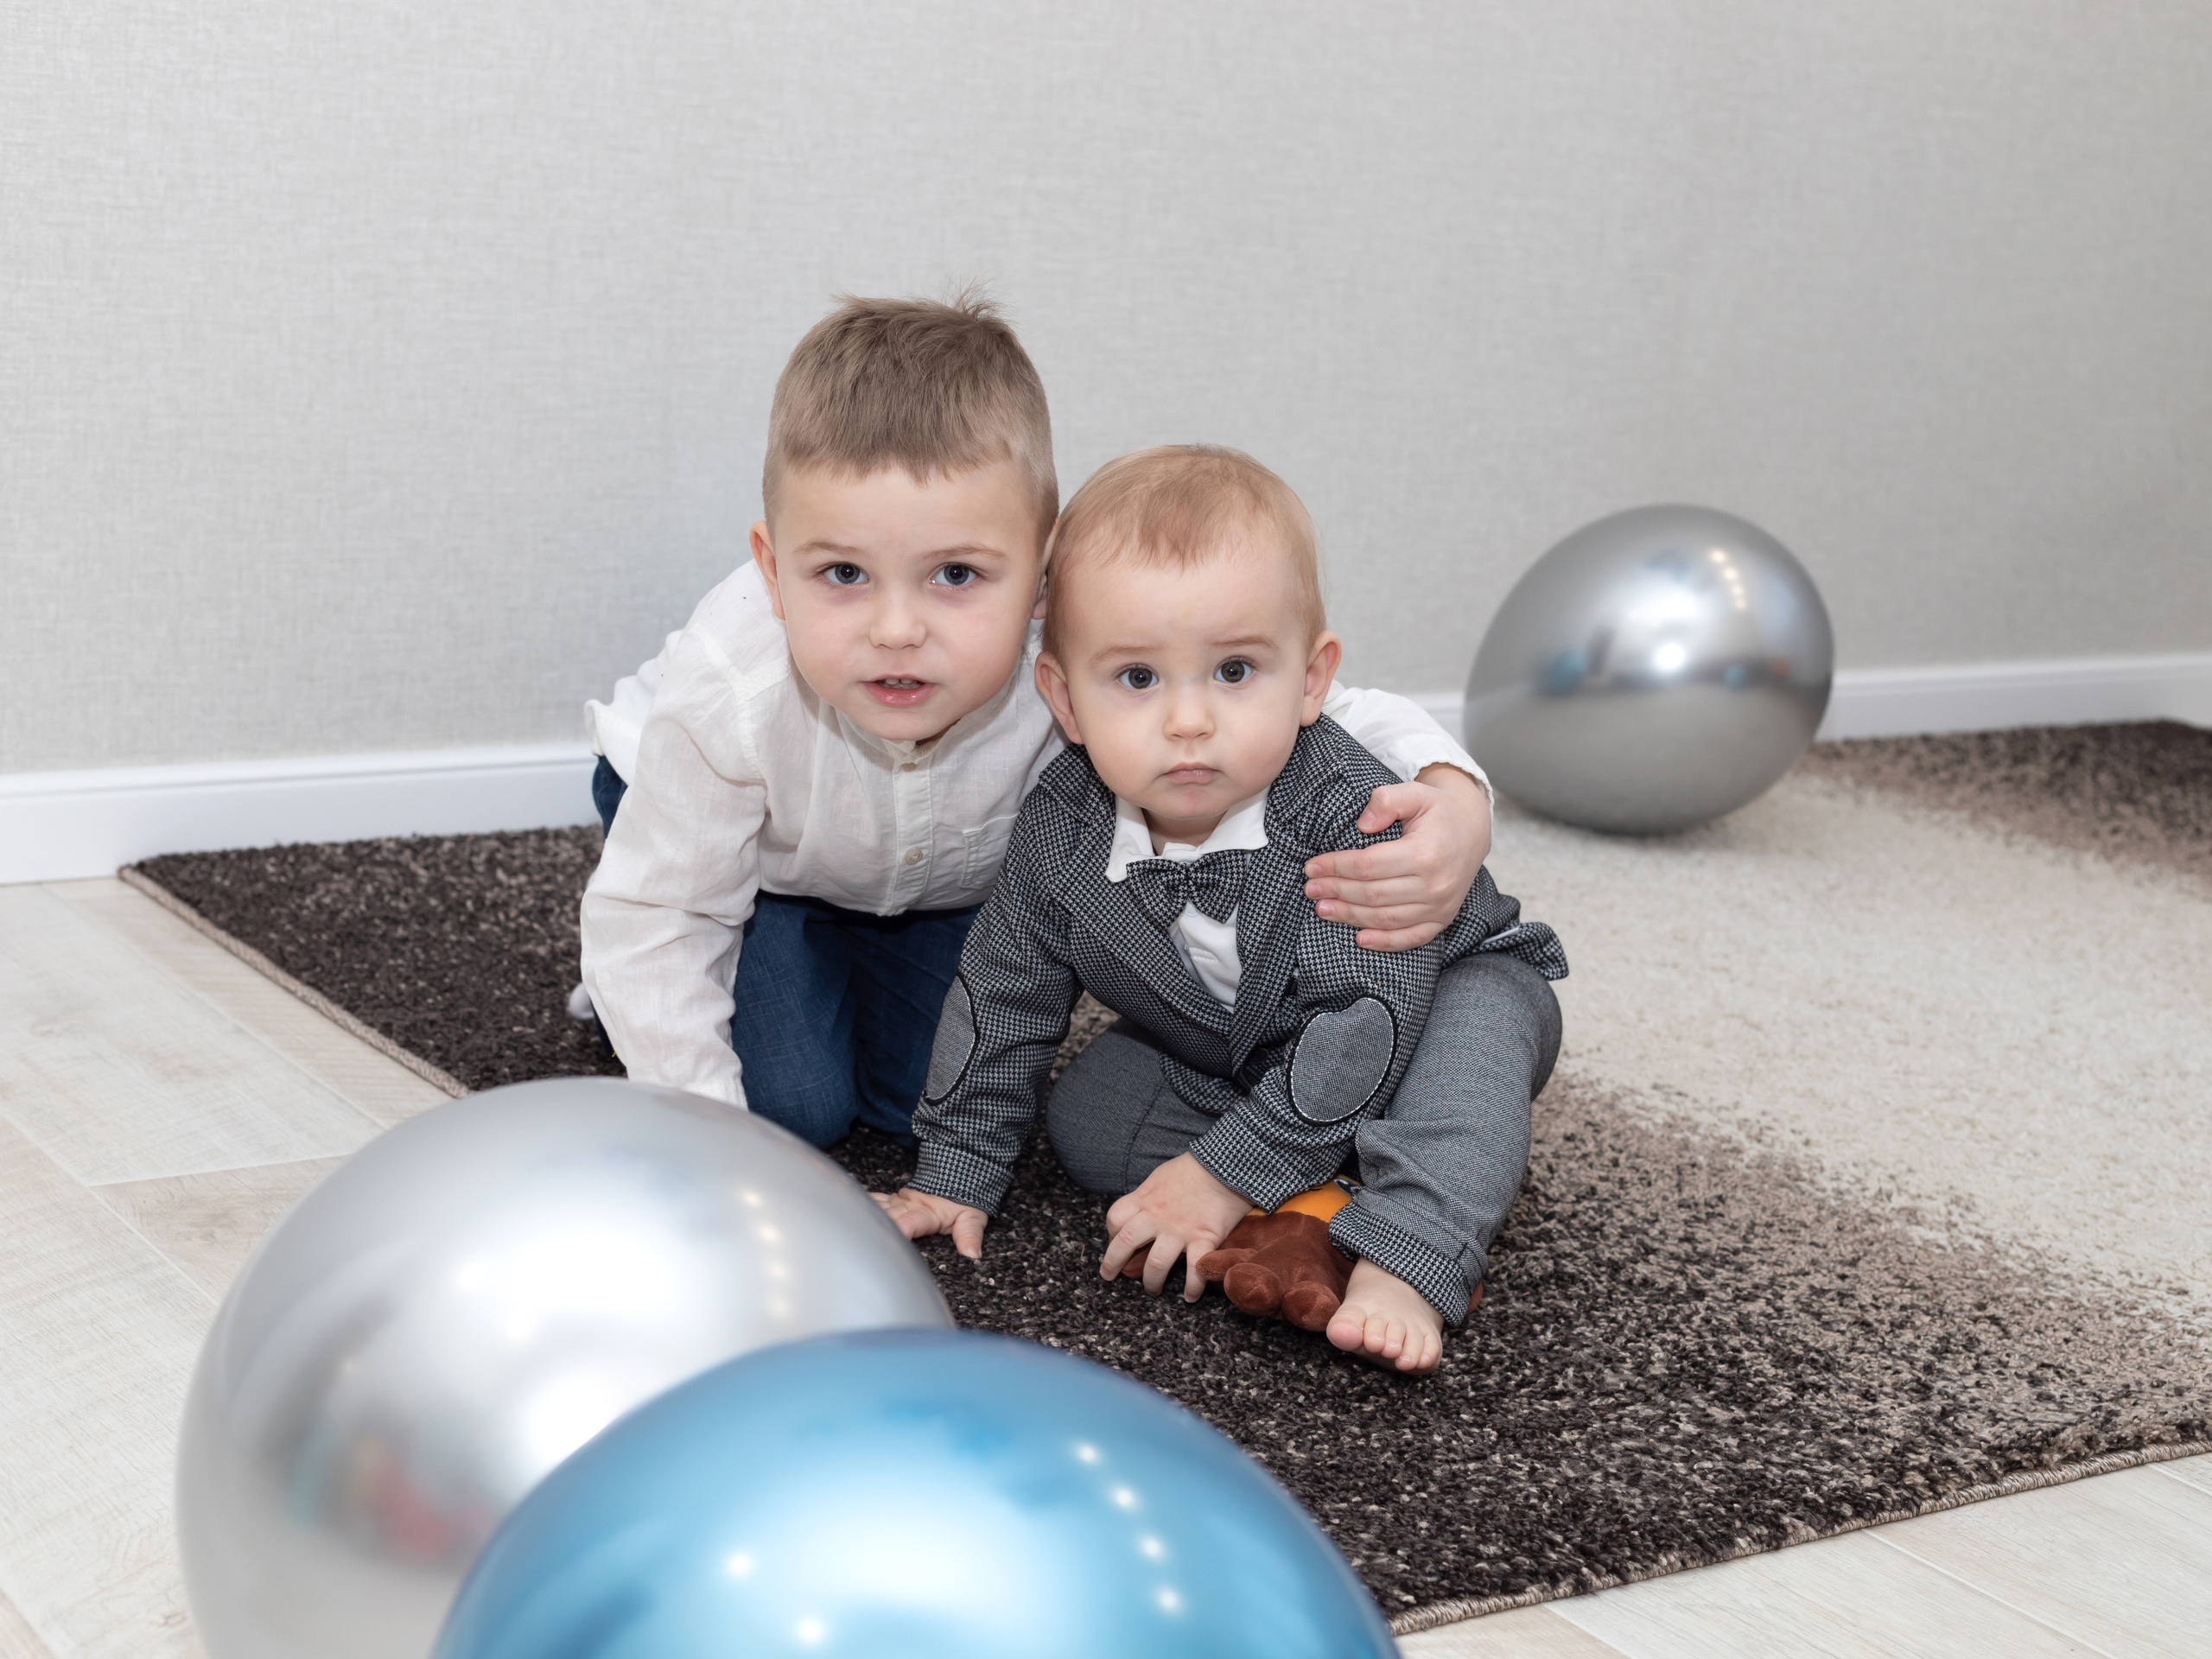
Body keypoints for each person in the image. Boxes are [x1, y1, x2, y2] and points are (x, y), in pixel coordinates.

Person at [578, 293, 1499, 1149]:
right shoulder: (728, 693)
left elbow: (1310, 703)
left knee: (922, 1109)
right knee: (791, 1112)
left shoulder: (1081, 647)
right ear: (773, 571)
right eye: (844, 575)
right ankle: (744, 956)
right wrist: (700, 1134)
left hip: (933, 888)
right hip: (753, 860)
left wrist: (1451, 795)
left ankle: (841, 960)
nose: (897, 631)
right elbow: (662, 917)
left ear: (1041, 571)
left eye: (957, 575)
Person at [879, 446, 1566, 1373]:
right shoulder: (1059, 830)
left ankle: (1412, 1248)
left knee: (1469, 1062)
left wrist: (1216, 1174)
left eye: (1235, 672)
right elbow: (1003, 996)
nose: (1189, 721)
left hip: (1430, 997)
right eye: (1136, 679)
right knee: (1090, 1117)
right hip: (1238, 1048)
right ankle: (1319, 1196)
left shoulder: (1346, 814)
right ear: (1064, 700)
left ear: (1312, 678)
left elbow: (1364, 1025)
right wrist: (955, 1171)